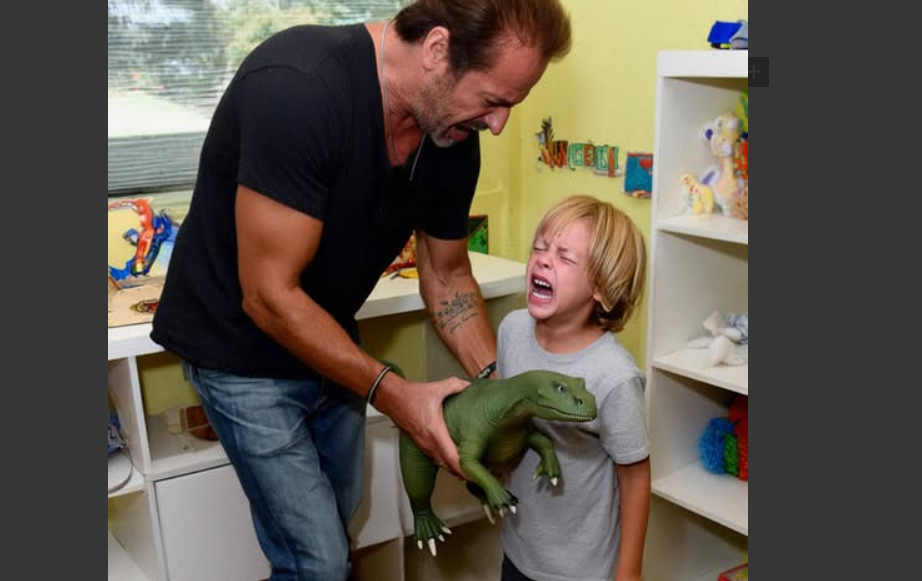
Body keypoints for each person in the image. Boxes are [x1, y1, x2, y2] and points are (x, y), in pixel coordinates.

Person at [149, 1, 572, 580]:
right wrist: (396, 395)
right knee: (318, 560)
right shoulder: (299, 89)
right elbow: (269, 295)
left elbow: (447, 274)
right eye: (493, 100)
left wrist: (496, 390)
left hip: (327, 340)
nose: (498, 125)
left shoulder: (452, 132)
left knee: (338, 524)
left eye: (510, 107)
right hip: (237, 348)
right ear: (438, 50)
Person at [496, 195, 650, 581]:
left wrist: (629, 573)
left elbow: (635, 479)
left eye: (564, 257)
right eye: (539, 248)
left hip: (583, 570)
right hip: (518, 552)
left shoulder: (614, 376)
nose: (544, 260)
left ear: (602, 287)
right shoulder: (512, 331)